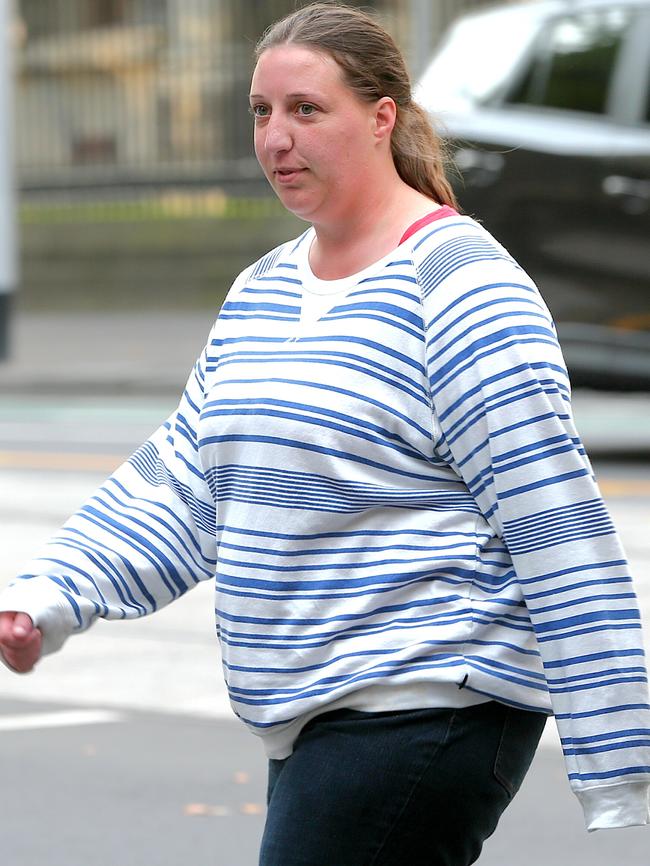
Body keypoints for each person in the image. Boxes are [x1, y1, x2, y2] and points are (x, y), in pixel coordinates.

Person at [2, 3, 649, 863]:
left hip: (429, 702)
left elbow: (553, 516)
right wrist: (50, 596)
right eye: (262, 112)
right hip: (315, 713)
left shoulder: (461, 286)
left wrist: (617, 757)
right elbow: (186, 479)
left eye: (307, 110)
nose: (276, 138)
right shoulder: (262, 287)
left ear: (383, 118)